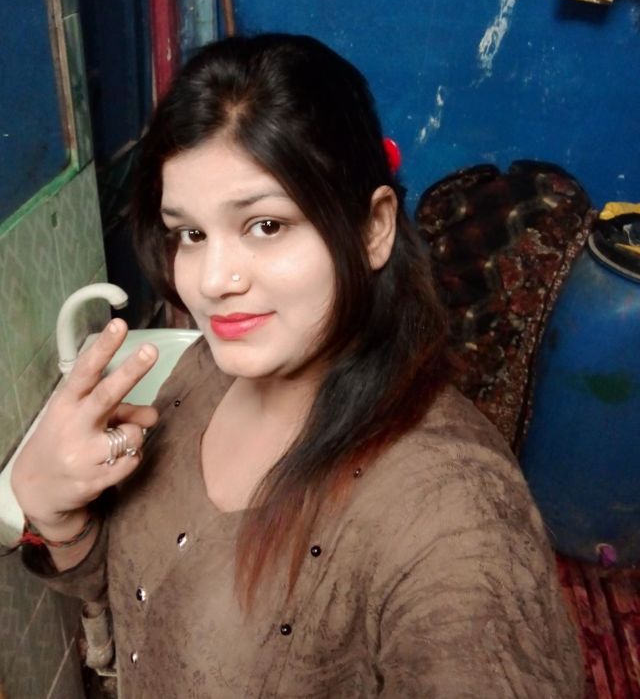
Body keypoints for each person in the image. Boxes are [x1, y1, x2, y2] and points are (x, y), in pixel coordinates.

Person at [12, 34, 584, 697]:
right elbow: (147, 596)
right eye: (190, 234)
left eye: (266, 225)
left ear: (373, 228)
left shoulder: (455, 518)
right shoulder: (206, 370)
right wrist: (61, 519)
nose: (212, 281)